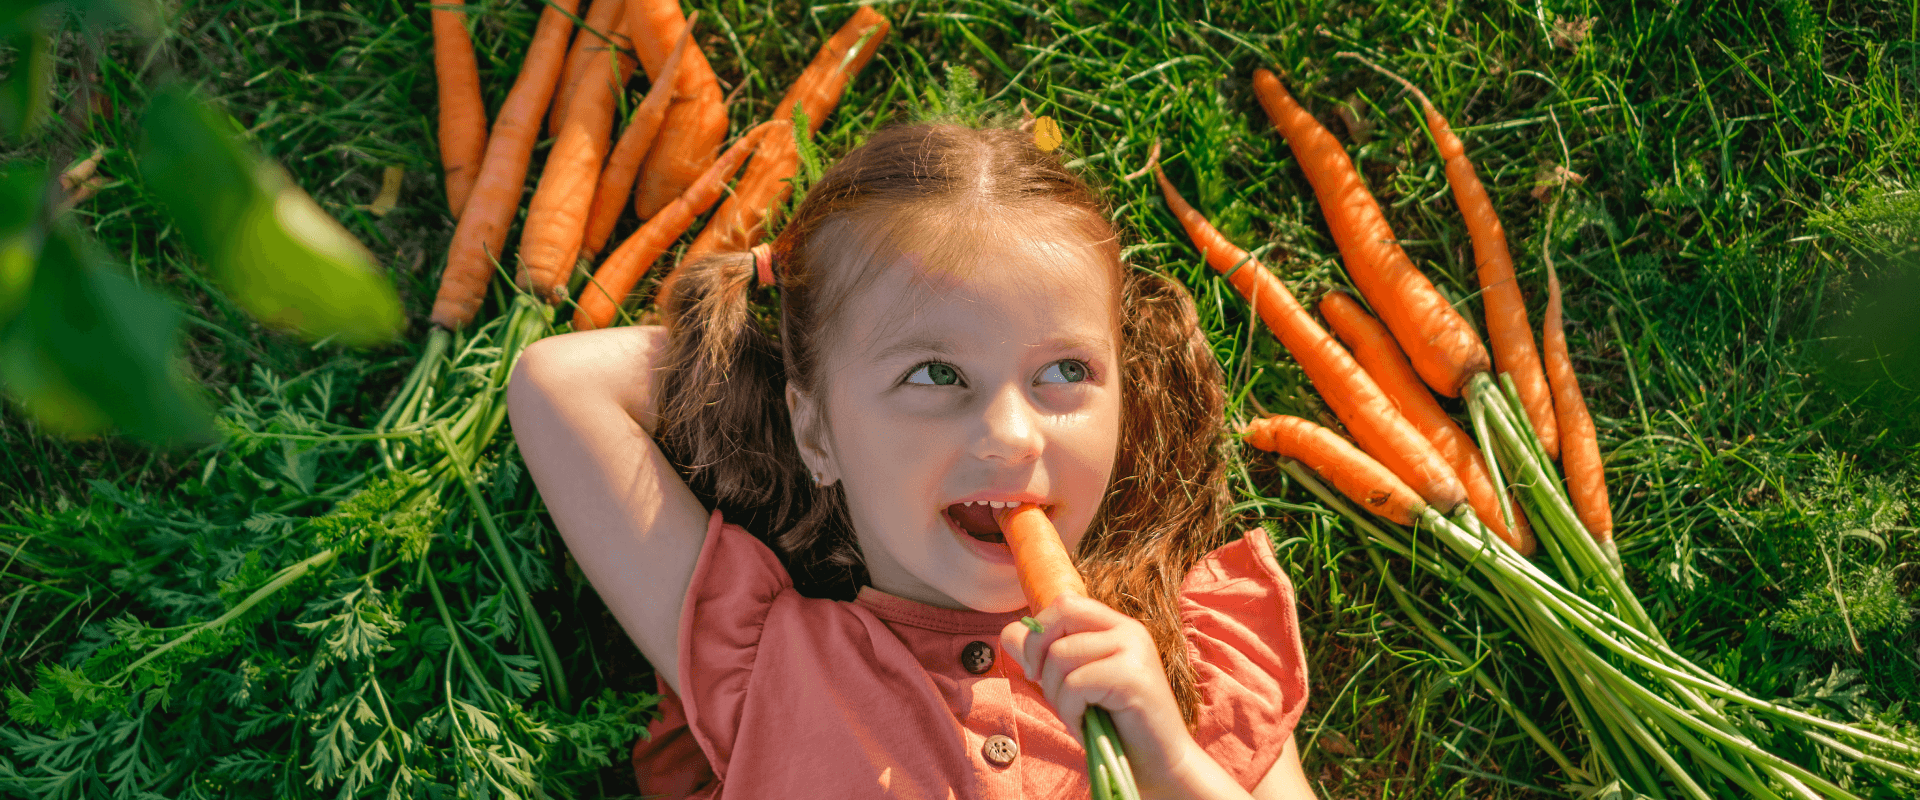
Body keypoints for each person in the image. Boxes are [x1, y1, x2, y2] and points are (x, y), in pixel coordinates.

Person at [507, 122, 1316, 799]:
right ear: (816, 435)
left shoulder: (1188, 657)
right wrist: (768, 363)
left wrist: (1169, 763)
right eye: (935, 374)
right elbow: (558, 385)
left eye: (1065, 372)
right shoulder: (775, 663)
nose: (1012, 435)